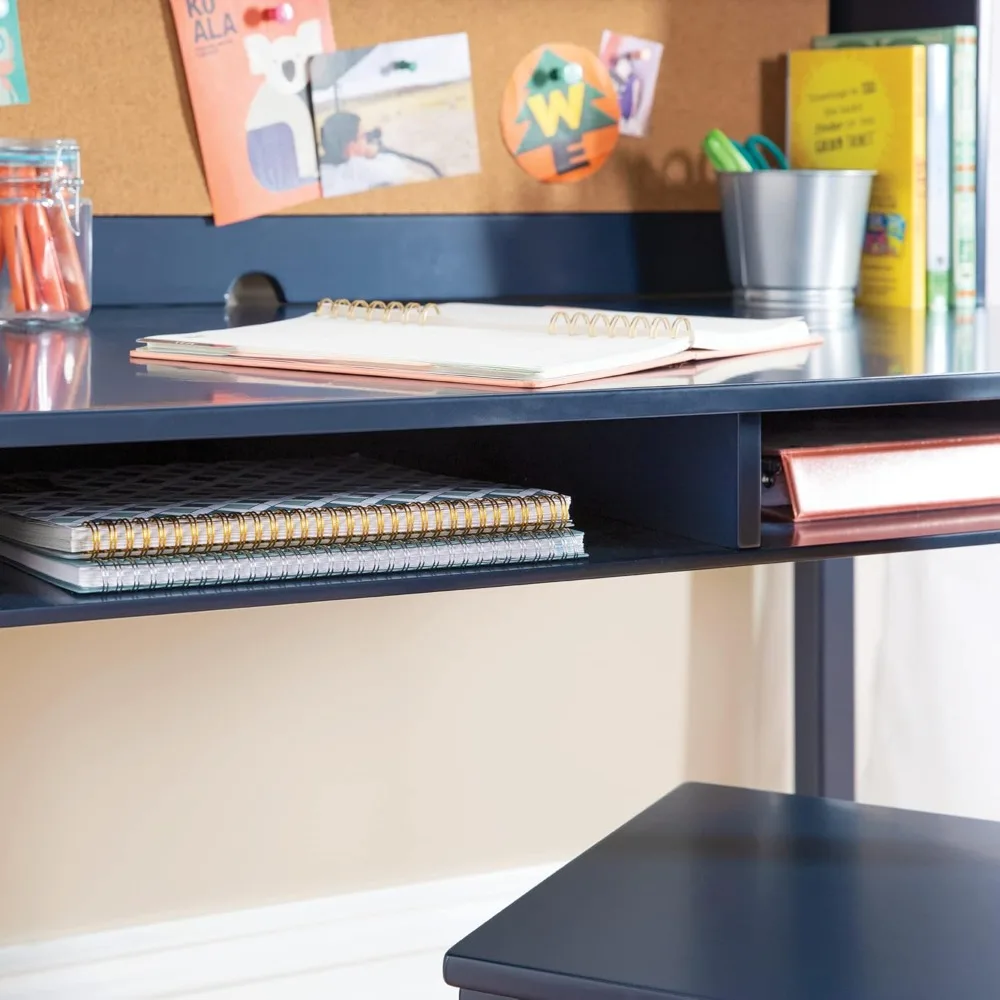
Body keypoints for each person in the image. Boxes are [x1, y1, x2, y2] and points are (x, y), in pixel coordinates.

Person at [318, 111, 415, 196]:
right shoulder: (356, 168)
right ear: (351, 147)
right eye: (363, 136)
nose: (366, 141)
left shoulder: (321, 172)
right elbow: (398, 172)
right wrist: (374, 153)